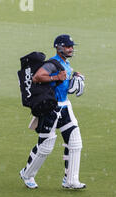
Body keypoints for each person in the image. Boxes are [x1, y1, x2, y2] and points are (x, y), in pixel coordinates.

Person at [19, 34, 86, 189]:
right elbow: (37, 77)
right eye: (68, 46)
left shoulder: (66, 64)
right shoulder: (52, 64)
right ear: (59, 47)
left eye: (72, 46)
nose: (71, 49)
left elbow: (65, 85)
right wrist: (56, 76)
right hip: (51, 109)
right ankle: (27, 174)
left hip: (65, 107)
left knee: (75, 142)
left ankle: (71, 180)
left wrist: (75, 76)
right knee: (45, 146)